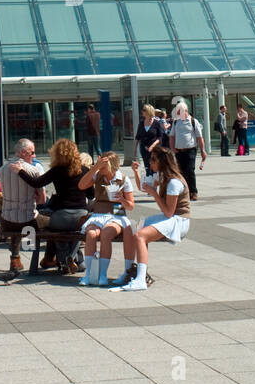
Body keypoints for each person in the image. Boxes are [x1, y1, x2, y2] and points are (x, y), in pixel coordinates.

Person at [114, 146, 190, 292]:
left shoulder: (174, 182)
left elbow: (169, 212)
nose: (150, 163)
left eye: (153, 159)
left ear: (163, 162)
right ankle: (130, 272)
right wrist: (136, 172)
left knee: (140, 236)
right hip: (170, 218)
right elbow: (143, 187)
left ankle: (140, 280)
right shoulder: (161, 176)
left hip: (178, 221)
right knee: (131, 229)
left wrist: (154, 194)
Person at [16, 137, 92, 273]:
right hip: (81, 216)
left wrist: (20, 172)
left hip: (62, 215)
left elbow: (37, 183)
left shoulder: (57, 170)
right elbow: (91, 195)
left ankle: (64, 261)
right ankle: (73, 259)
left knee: (56, 232)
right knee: (77, 232)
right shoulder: (84, 170)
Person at [76, 151, 136, 287]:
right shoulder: (97, 175)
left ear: (112, 166)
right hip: (98, 214)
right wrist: (95, 167)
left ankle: (102, 274)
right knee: (91, 234)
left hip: (116, 215)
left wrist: (121, 199)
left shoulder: (123, 179)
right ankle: (89, 274)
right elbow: (81, 185)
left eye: (104, 165)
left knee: (106, 234)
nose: (101, 168)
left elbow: (131, 206)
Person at [0, 138, 51, 274]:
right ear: (23, 152)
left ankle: (15, 258)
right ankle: (47, 258)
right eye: (32, 152)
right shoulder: (33, 171)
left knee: (16, 218)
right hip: (28, 221)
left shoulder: (2, 169)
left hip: (6, 221)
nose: (34, 156)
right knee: (52, 223)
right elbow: (42, 200)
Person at [168, 98, 206, 200]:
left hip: (190, 150)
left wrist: (203, 150)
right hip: (178, 151)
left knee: (190, 171)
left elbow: (199, 137)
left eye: (180, 111)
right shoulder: (176, 122)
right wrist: (172, 149)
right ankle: (184, 192)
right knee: (180, 172)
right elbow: (171, 136)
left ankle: (193, 192)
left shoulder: (193, 121)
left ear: (185, 111)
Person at [135, 104, 162, 174]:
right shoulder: (141, 123)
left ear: (148, 111)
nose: (142, 111)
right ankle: (149, 182)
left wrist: (152, 146)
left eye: (144, 110)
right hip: (144, 149)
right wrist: (135, 149)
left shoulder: (156, 123)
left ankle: (155, 182)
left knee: (154, 168)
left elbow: (160, 137)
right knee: (147, 167)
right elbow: (137, 137)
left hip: (154, 150)